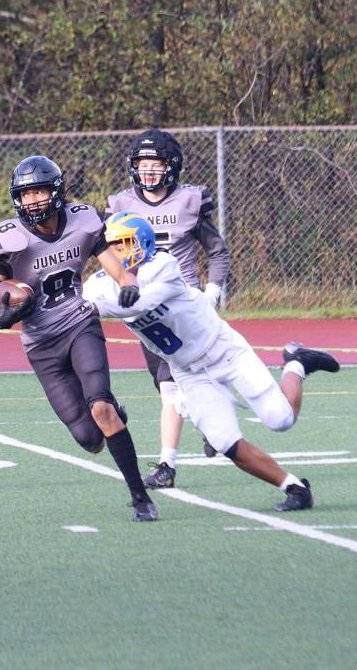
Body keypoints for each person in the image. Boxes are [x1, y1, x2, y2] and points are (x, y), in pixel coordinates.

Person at [84, 213, 338, 511]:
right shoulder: (98, 284)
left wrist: (94, 307)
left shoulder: (162, 265)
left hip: (223, 351)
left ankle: (297, 364)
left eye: (124, 244)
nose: (117, 254)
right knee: (224, 441)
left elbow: (138, 303)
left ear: (144, 243)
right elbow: (79, 306)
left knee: (280, 420)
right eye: (111, 248)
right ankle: (294, 487)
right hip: (188, 371)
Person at [0, 155, 158, 522]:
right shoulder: (8, 239)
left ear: (56, 191)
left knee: (101, 407)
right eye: (25, 195)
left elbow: (114, 265)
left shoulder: (84, 222)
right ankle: (112, 417)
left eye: (39, 191)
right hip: (41, 345)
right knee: (90, 440)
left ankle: (141, 498)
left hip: (78, 324)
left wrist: (128, 284)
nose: (32, 201)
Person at [105, 128, 231, 489]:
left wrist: (212, 291)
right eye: (142, 164)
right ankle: (210, 422)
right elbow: (108, 253)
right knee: (169, 386)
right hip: (145, 309)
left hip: (184, 305)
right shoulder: (122, 205)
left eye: (155, 164)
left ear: (171, 167)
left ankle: (167, 465)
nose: (147, 172)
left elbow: (217, 250)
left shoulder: (189, 201)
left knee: (172, 388)